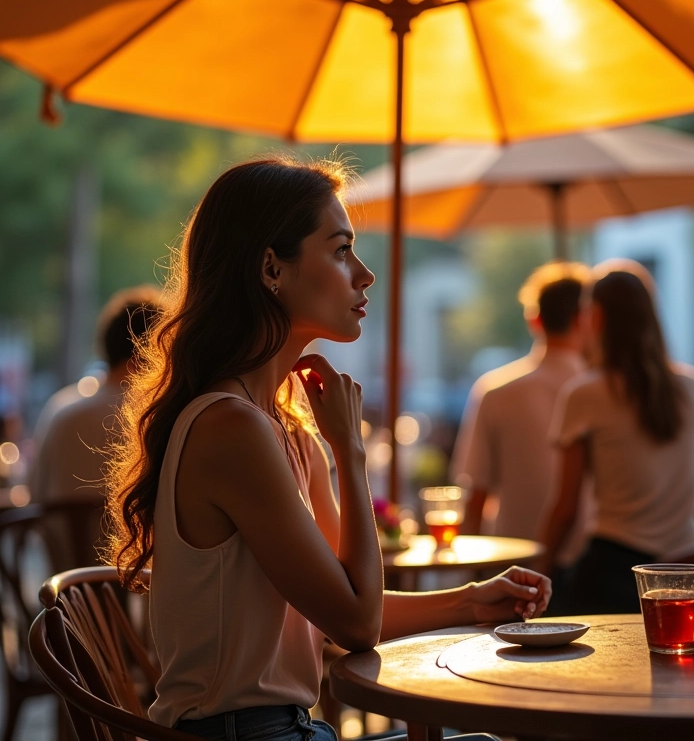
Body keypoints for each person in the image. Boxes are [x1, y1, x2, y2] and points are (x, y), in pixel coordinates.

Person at [102, 156, 551, 739]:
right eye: (340, 250)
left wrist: (473, 601)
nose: (364, 275)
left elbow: (352, 601)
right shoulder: (231, 429)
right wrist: (350, 449)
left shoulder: (283, 427)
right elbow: (357, 625)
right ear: (271, 268)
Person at [541, 260, 694, 614]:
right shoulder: (693, 386)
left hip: (618, 574)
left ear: (596, 318)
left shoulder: (585, 393)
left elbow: (565, 509)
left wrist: (538, 570)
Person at [450, 262, 593, 609]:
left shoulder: (494, 391)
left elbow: (476, 493)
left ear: (534, 320)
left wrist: (468, 582)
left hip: (512, 571)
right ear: (587, 320)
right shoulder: (604, 393)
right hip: (591, 566)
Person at [28, 286, 162, 569]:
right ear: (146, 356)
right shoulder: (153, 416)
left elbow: (34, 493)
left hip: (66, 591)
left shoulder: (60, 408)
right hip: (136, 589)